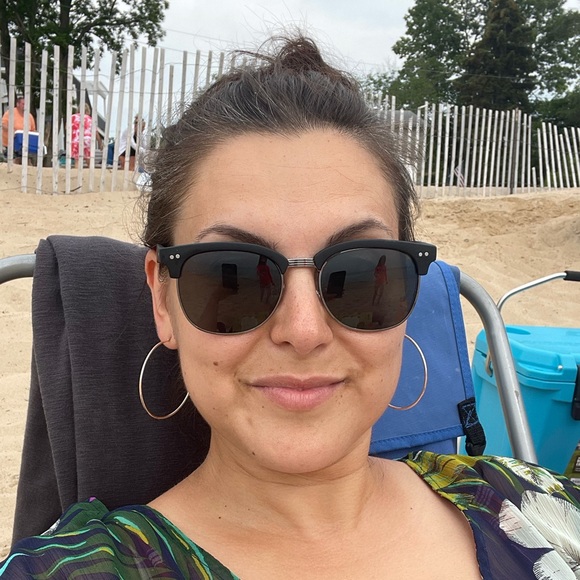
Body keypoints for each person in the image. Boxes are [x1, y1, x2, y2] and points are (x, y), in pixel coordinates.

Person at [2, 35, 579, 578]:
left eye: (357, 274)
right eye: (231, 275)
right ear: (162, 298)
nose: (303, 331)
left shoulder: (532, 504)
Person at [1, 95, 37, 164]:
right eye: (23, 104)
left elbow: (33, 130)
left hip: (25, 145)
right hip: (11, 144)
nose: (25, 106)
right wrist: (12, 131)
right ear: (17, 104)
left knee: (26, 163)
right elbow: (3, 124)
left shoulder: (29, 116)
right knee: (13, 162)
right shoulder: (10, 113)